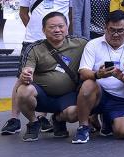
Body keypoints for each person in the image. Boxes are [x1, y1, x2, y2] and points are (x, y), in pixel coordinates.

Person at [2, 0, 77, 137]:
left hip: (59, 42)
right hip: (32, 40)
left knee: (52, 75)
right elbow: (23, 12)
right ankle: (14, 119)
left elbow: (71, 14)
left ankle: (42, 117)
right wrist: (37, 30)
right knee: (22, 77)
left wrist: (63, 35)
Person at [72, 11, 124, 143]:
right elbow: (83, 72)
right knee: (88, 84)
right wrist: (97, 74)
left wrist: (120, 75)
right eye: (112, 30)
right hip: (98, 95)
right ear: (105, 28)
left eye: (120, 30)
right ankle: (83, 127)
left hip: (121, 98)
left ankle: (108, 120)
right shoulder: (93, 44)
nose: (116, 34)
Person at [14, 12, 86, 141]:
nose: (57, 30)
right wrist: (26, 74)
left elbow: (101, 44)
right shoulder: (34, 48)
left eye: (61, 26)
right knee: (23, 91)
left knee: (75, 113)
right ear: (43, 30)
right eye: (52, 27)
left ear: (67, 27)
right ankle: (33, 122)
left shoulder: (81, 43)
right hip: (42, 97)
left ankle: (58, 119)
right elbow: (28, 69)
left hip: (68, 96)